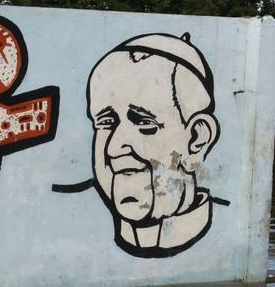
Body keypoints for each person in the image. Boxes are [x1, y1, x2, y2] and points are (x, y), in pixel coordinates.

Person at [86, 32, 222, 256]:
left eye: (144, 123)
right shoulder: (66, 227)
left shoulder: (234, 229)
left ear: (197, 139)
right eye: (107, 123)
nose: (113, 148)